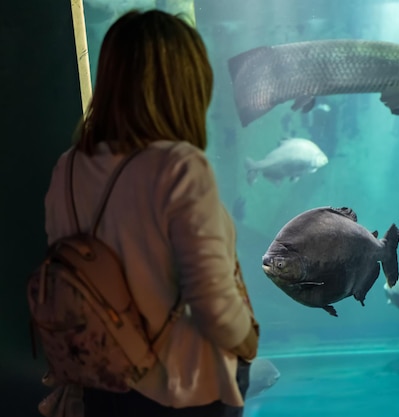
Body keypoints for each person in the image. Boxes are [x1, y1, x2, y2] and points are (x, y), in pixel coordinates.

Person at [40, 9, 259, 417]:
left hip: (102, 389)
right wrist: (248, 340)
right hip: (180, 390)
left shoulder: (68, 168)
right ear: (186, 85)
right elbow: (213, 305)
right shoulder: (180, 168)